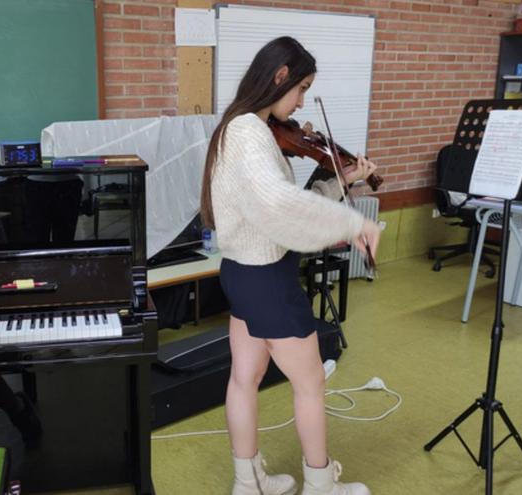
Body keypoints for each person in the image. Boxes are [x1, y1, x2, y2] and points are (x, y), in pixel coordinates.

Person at [199, 37, 381, 495]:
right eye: (301, 88)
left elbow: (280, 205)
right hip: (268, 280)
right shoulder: (248, 133)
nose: (302, 101)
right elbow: (281, 205)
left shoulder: (243, 129)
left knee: (245, 378)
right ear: (279, 76)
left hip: (242, 274)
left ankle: (249, 481)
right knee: (311, 381)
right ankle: (321, 486)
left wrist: (344, 182)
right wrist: (351, 221)